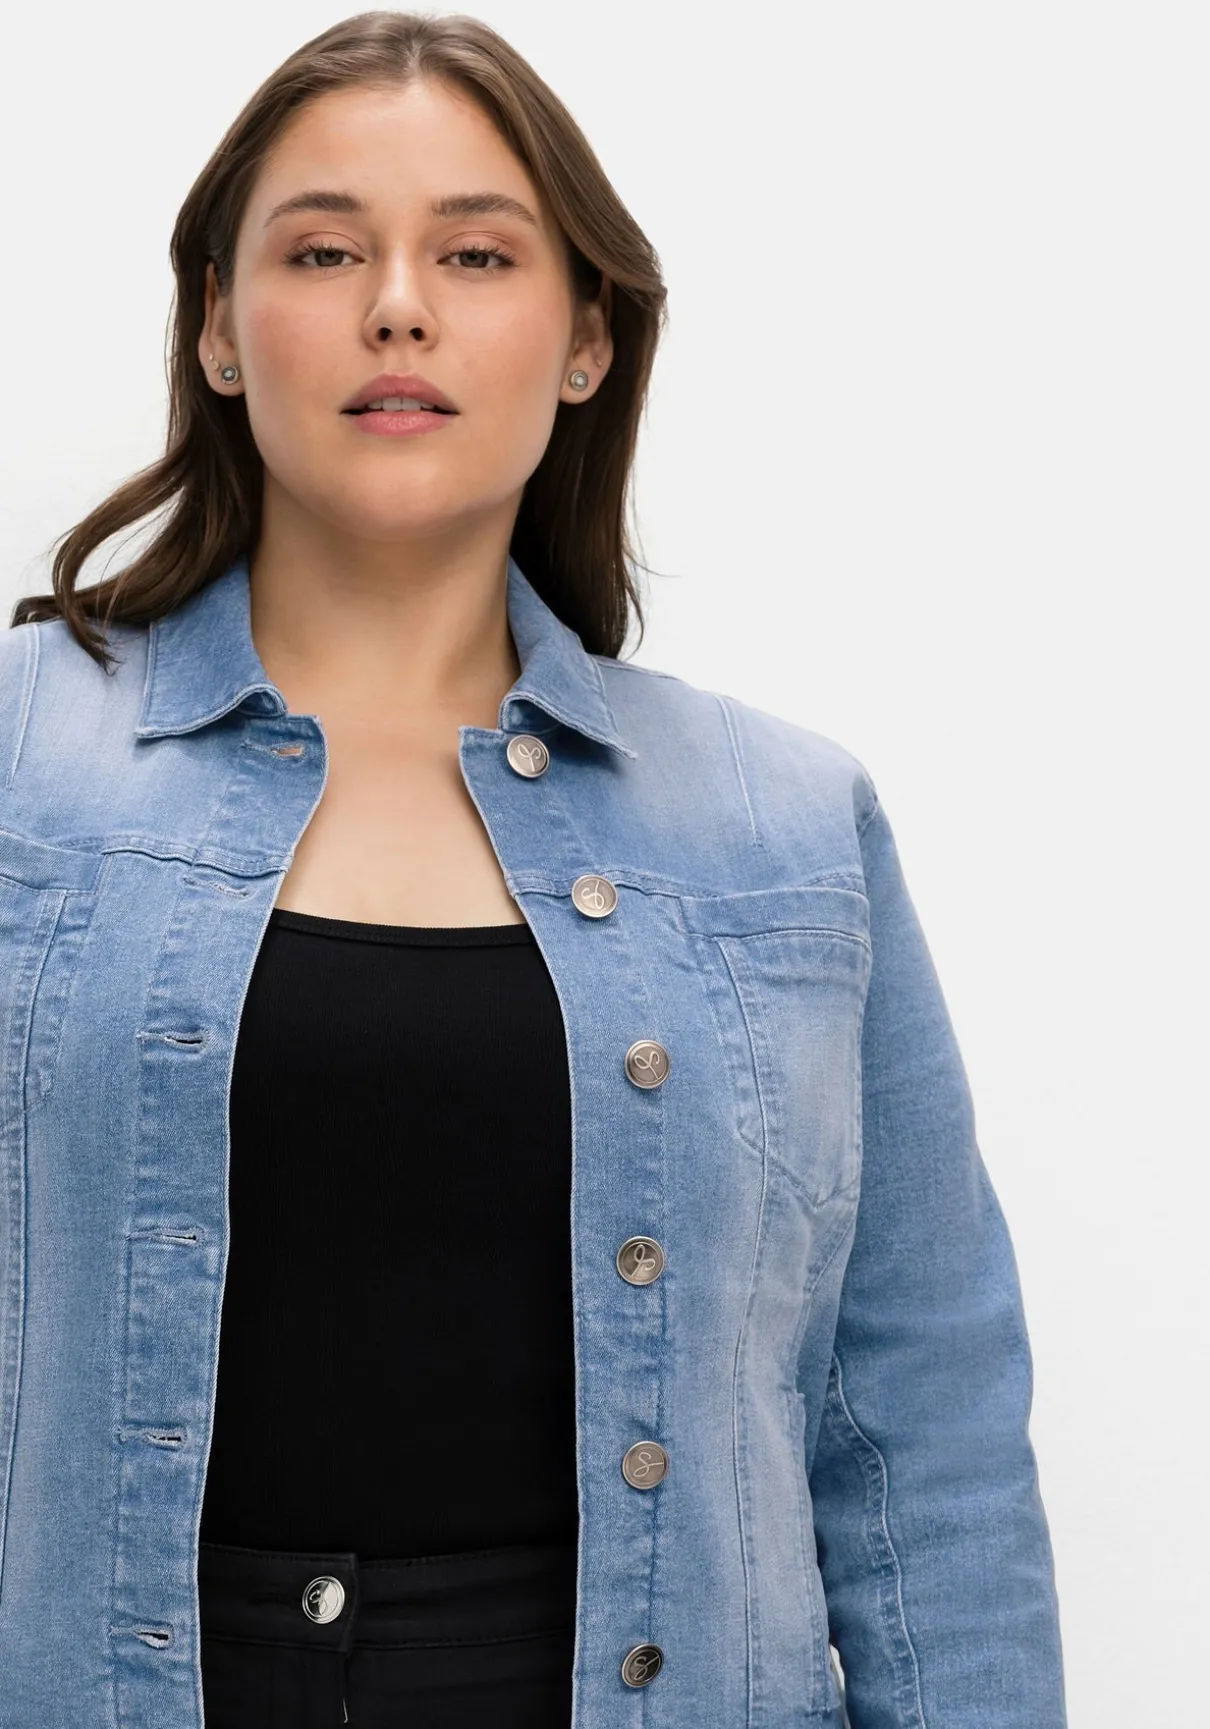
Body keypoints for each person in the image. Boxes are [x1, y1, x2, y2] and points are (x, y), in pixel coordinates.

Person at [0, 11, 1068, 1728]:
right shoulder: (18, 766)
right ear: (216, 324)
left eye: (476, 254)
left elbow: (921, 1435)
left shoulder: (785, 828)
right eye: (323, 250)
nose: (397, 305)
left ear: (584, 340)